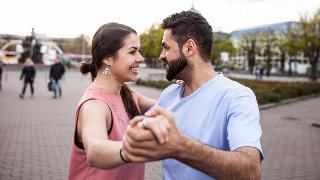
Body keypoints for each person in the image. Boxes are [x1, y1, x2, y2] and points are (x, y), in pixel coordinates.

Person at [122, 11, 263, 180]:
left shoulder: (237, 97)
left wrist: (180, 146)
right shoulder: (169, 95)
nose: (161, 56)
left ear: (189, 48)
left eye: (166, 47)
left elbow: (251, 171)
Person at [68, 22, 165, 180]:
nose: (140, 58)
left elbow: (169, 108)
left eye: (139, 51)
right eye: (132, 52)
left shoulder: (128, 94)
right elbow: (95, 151)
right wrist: (136, 147)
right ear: (108, 58)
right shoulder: (95, 105)